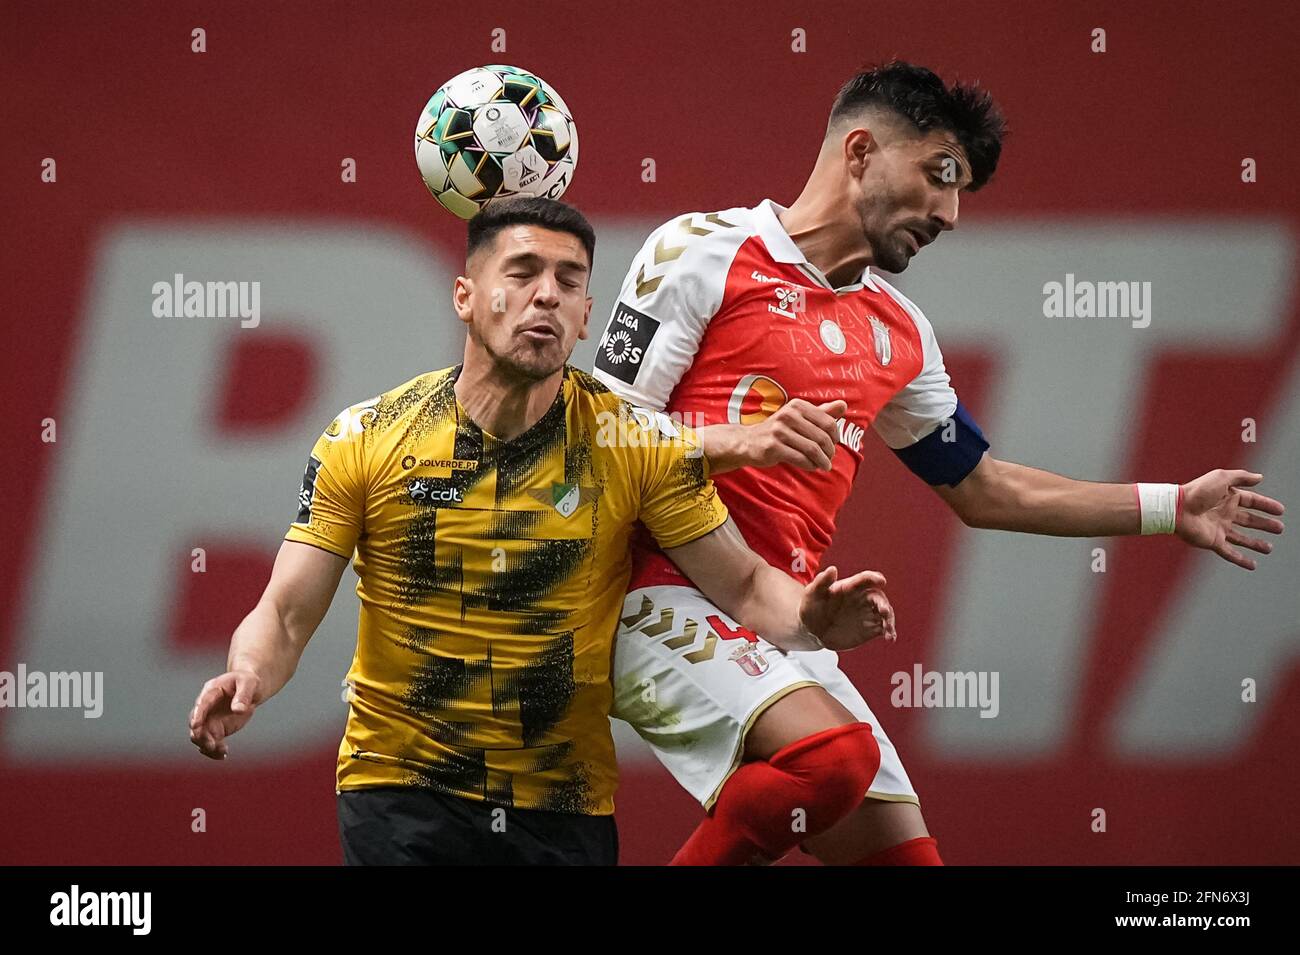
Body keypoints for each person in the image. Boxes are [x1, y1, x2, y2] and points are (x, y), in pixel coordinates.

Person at [591, 60, 1287, 865]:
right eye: (938, 175)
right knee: (830, 762)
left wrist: (1174, 506)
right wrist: (738, 441)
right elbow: (601, 439)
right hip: (656, 591)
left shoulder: (901, 331)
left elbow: (984, 487)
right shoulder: (701, 253)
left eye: (961, 191)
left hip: (783, 615)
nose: (951, 214)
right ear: (859, 152)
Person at [187, 196, 897, 865]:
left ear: (588, 315)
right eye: (522, 272)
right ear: (465, 296)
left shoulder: (634, 442)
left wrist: (809, 616)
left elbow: (743, 585)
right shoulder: (365, 436)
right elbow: (284, 611)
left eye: (568, 280)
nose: (546, 295)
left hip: (563, 807)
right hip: (399, 792)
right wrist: (247, 674)